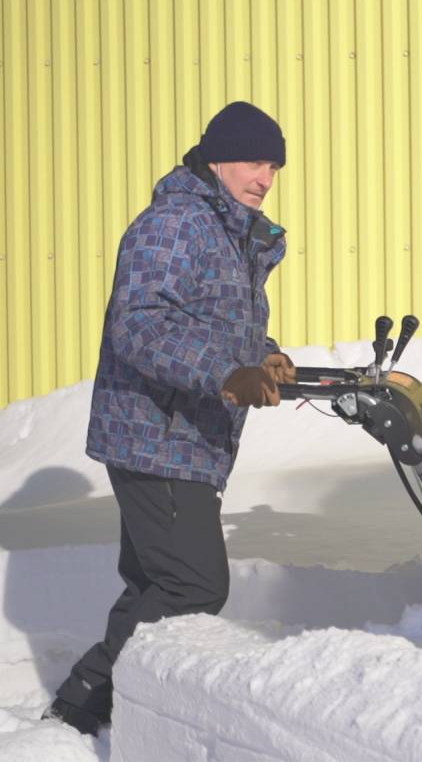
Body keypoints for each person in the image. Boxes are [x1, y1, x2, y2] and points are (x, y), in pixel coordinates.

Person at [42, 101, 296, 736]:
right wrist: (222, 374)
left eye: (272, 165)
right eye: (251, 161)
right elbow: (141, 324)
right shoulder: (176, 223)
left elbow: (215, 323)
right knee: (191, 587)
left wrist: (266, 358)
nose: (263, 177)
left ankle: (89, 711)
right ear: (215, 159)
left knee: (154, 584)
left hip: (187, 434)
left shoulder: (231, 230)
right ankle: (91, 702)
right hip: (158, 435)